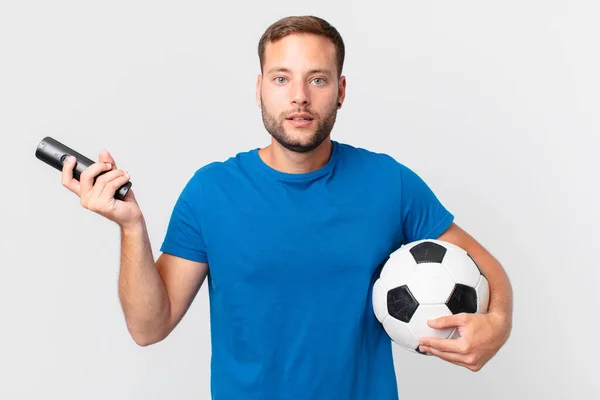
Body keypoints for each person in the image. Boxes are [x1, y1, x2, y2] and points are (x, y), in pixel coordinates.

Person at [61, 15, 513, 400]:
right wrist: (132, 228)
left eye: (317, 79)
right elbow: (148, 327)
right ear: (259, 88)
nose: (299, 96)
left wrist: (498, 323)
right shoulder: (211, 191)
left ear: (340, 89)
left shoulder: (388, 183)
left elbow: (486, 267)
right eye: (282, 78)